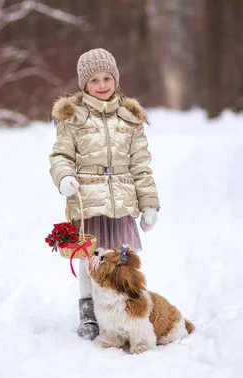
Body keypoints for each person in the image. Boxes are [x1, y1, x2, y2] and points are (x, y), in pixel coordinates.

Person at [49, 48, 160, 340]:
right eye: (94, 80)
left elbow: (141, 165)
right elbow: (60, 155)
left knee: (123, 259)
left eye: (107, 78)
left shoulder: (130, 118)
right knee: (92, 260)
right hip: (89, 202)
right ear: (84, 84)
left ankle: (126, 309)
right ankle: (90, 314)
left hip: (122, 202)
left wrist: (148, 204)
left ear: (116, 79)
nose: (101, 85)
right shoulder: (73, 117)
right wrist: (65, 177)